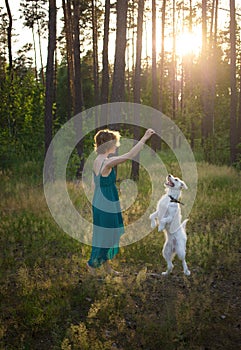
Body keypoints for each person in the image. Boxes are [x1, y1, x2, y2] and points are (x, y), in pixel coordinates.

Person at [86, 128, 155, 275]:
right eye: (115, 143)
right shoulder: (107, 162)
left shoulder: (96, 161)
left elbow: (94, 185)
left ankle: (107, 267)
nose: (117, 146)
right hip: (106, 202)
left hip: (99, 199)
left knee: (103, 233)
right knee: (109, 234)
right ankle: (92, 265)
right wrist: (144, 138)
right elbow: (130, 155)